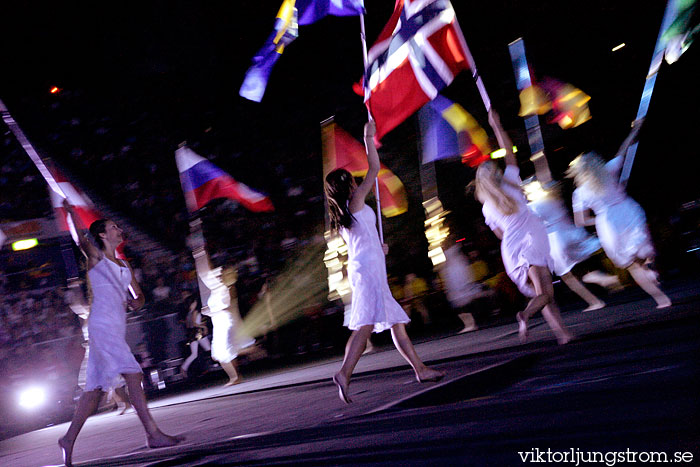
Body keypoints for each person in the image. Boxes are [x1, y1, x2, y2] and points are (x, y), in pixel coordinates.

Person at [325, 120, 445, 404]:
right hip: (368, 270)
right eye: (352, 179)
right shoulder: (354, 203)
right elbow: (375, 170)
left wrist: (379, 248)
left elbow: (359, 242)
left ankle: (420, 369)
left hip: (367, 265)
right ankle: (344, 373)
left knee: (395, 322)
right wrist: (368, 136)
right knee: (365, 323)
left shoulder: (344, 213)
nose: (357, 181)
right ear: (348, 185)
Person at [59, 203, 183, 467]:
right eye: (113, 227)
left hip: (115, 327)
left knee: (93, 391)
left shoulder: (124, 265)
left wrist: (135, 303)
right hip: (102, 327)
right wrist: (70, 214)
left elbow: (139, 297)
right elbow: (80, 239)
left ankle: (68, 439)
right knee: (134, 374)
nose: (119, 228)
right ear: (103, 235)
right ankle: (153, 434)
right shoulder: (96, 258)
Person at [474, 110, 573, 345]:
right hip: (532, 239)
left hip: (512, 247)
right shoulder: (511, 183)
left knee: (545, 294)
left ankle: (563, 335)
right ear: (497, 175)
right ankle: (526, 314)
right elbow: (509, 152)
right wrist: (496, 125)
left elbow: (500, 235)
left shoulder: (487, 208)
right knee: (546, 293)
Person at [567, 119, 671, 308]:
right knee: (644, 250)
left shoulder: (579, 193)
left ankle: (661, 299)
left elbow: (580, 221)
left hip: (608, 222)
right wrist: (635, 129)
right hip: (627, 211)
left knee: (632, 264)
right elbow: (623, 149)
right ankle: (650, 267)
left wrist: (598, 219)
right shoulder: (608, 171)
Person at [525, 180, 619, 311]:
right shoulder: (553, 198)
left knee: (568, 276)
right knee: (581, 268)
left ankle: (595, 301)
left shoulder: (533, 207)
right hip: (572, 234)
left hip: (556, 241)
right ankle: (602, 279)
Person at [190, 226, 256, 386]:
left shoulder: (226, 289)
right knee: (221, 353)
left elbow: (226, 307)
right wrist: (200, 255)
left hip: (225, 322)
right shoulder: (215, 287)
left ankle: (236, 374)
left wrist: (210, 312)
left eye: (219, 275)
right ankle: (236, 375)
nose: (215, 276)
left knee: (222, 352)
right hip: (220, 323)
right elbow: (204, 272)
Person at [179, 297, 212, 377]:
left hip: (192, 333)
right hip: (198, 333)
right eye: (194, 302)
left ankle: (183, 368)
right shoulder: (195, 312)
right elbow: (194, 324)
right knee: (209, 349)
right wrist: (204, 327)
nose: (196, 304)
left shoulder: (188, 314)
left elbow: (188, 325)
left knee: (194, 354)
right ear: (192, 303)